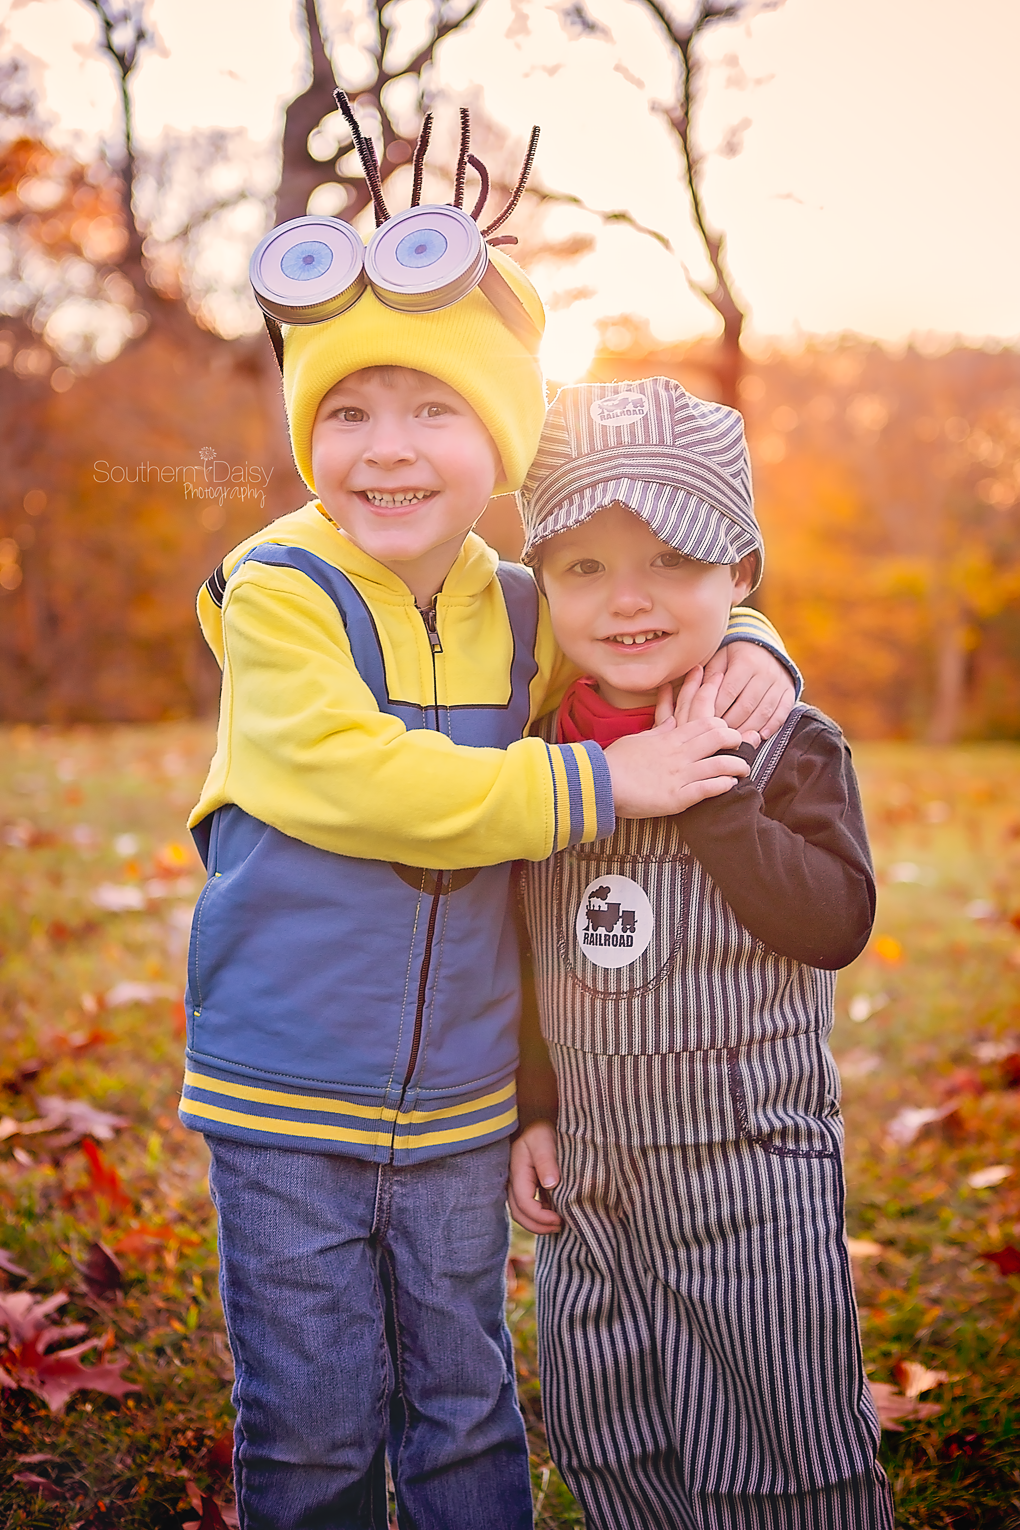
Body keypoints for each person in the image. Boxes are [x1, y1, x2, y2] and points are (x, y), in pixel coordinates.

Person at [180, 111, 799, 1530]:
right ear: (305, 434)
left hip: (462, 1092)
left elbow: (644, 615)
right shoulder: (283, 591)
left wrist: (758, 636)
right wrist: (599, 784)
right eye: (346, 412)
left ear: (501, 437)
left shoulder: (521, 608)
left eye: (434, 409)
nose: (386, 451)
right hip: (288, 1090)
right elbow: (363, 778)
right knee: (317, 1414)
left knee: (464, 1400)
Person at [509, 377, 894, 1530]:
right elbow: (532, 953)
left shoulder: (787, 745)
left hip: (749, 1174)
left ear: (740, 578)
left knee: (777, 1441)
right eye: (584, 568)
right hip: (594, 1178)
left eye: (671, 560)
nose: (628, 600)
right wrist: (534, 1106)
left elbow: (836, 922)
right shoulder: (539, 754)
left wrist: (713, 800)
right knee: (609, 1426)